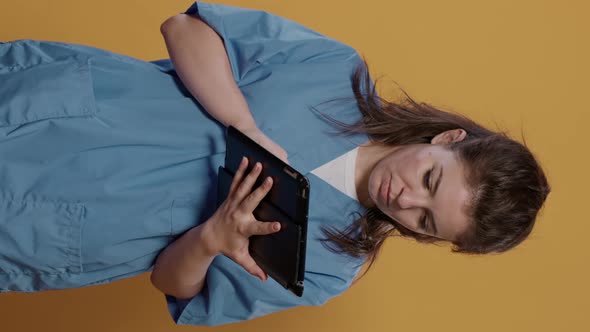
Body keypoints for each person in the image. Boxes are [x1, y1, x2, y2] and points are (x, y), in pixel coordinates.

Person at [0, 1, 549, 327]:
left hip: (43, 228)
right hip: (49, 110)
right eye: (431, 178)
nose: (405, 200)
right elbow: (184, 27)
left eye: (425, 220)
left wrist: (213, 238)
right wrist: (245, 124)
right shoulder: (336, 71)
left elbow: (172, 285)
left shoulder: (328, 266)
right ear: (449, 137)